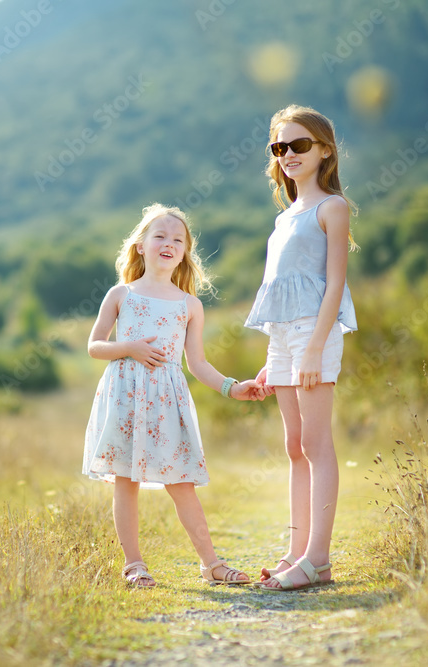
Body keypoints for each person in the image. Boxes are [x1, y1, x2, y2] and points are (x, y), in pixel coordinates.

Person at [83, 203, 263, 588]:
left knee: (181, 483)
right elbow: (96, 346)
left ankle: (211, 564)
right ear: (140, 246)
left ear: (185, 252)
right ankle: (134, 565)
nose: (168, 243)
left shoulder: (189, 305)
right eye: (160, 236)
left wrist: (233, 387)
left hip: (167, 404)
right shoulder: (121, 295)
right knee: (125, 481)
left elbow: (197, 364)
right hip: (125, 399)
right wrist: (129, 346)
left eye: (177, 240)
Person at [245, 104, 359, 592]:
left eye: (299, 145)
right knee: (294, 447)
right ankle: (296, 550)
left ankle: (318, 559)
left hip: (315, 333)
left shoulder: (331, 207)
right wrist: (275, 357)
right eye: (279, 146)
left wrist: (313, 349)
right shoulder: (284, 217)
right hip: (283, 339)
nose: (288, 154)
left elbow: (333, 285)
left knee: (315, 444)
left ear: (324, 150)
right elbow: (279, 290)